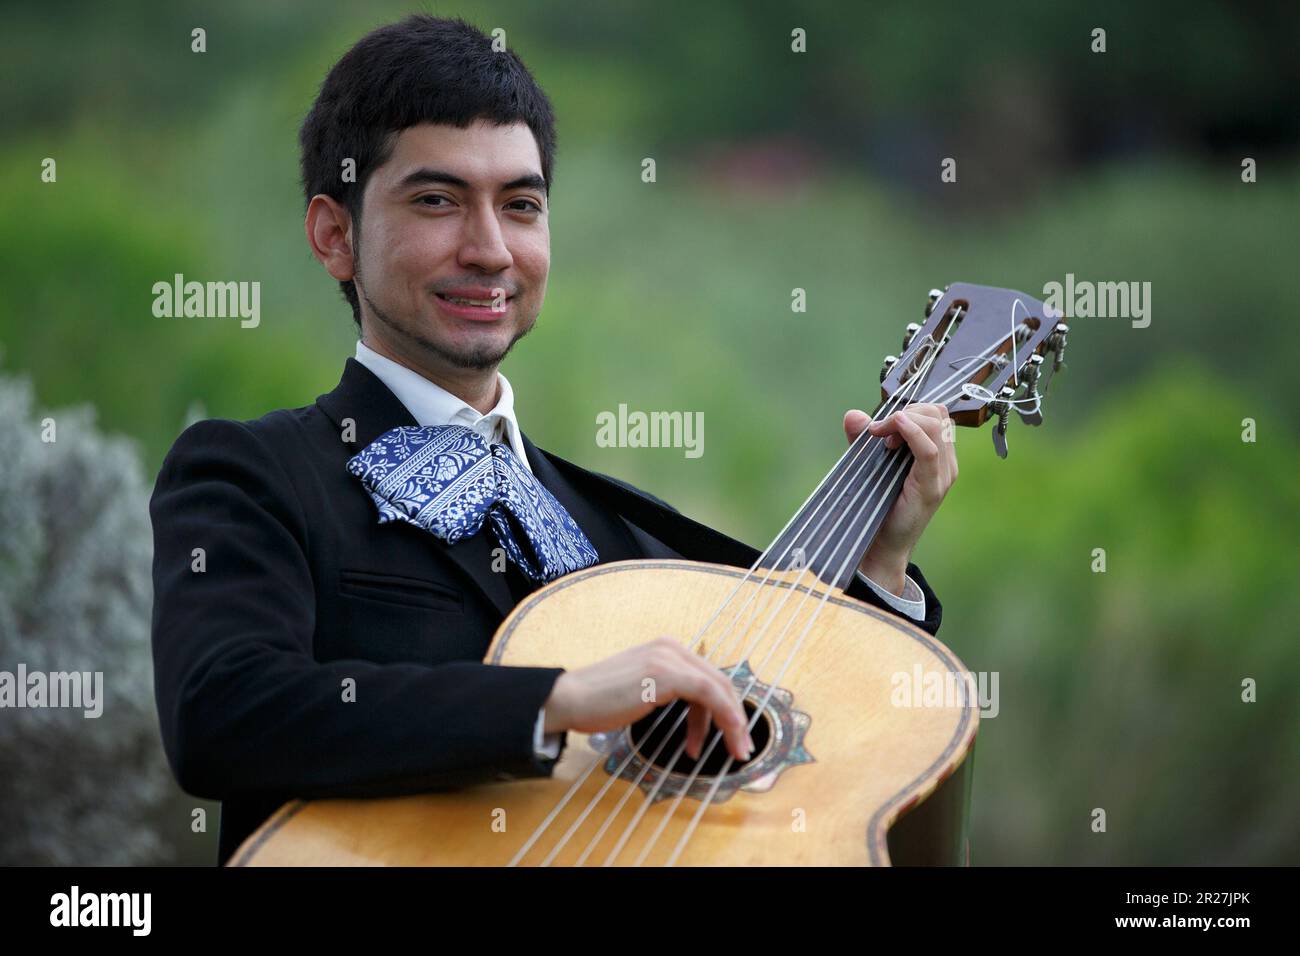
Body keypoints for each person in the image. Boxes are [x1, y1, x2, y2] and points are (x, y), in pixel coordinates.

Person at [149, 14, 958, 866]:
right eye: (437, 200)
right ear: (334, 234)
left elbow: (801, 750)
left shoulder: (625, 538)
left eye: (521, 206)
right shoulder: (253, 473)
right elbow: (221, 710)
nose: (490, 250)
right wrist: (557, 699)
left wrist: (881, 566)